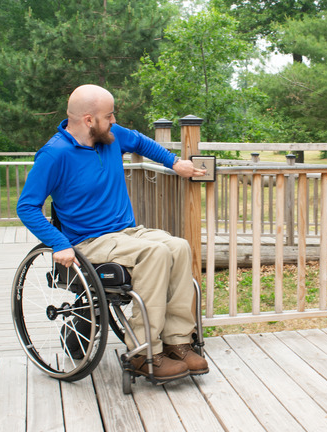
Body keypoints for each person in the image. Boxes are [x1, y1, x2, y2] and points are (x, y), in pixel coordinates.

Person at [17, 84, 209, 382]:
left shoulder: (111, 136)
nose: (115, 121)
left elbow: (143, 142)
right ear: (89, 120)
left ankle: (177, 341)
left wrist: (175, 163)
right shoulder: (54, 154)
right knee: (156, 253)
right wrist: (58, 243)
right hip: (89, 241)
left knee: (179, 246)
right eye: (110, 115)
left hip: (128, 232)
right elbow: (27, 207)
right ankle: (144, 353)